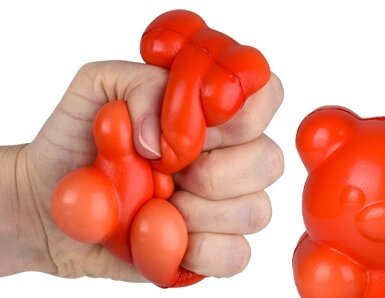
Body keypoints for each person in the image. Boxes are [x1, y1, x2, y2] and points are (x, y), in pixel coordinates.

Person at [0, 60, 284, 280]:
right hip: (119, 214)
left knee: (156, 227)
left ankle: (160, 253)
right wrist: (28, 201)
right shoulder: (112, 155)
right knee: (141, 222)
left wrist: (26, 199)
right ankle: (159, 252)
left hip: (137, 219)